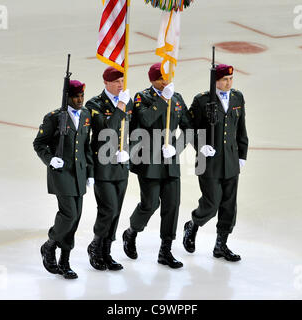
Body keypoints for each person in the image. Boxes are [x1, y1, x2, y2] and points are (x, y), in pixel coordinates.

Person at [122, 63, 192, 269]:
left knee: (172, 205)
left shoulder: (177, 98)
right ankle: (132, 231)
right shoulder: (141, 97)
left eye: (168, 77)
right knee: (150, 204)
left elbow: (188, 128)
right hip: (148, 161)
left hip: (169, 161)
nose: (166, 81)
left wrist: (177, 149)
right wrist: (163, 99)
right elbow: (146, 118)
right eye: (162, 78)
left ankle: (165, 250)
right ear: (152, 80)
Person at [183, 64, 248, 262]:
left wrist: (242, 155)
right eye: (224, 80)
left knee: (229, 205)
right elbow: (189, 128)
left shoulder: (237, 97)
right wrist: (200, 146)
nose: (228, 83)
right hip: (209, 161)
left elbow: (241, 129)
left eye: (231, 79)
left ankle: (221, 244)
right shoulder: (202, 100)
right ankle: (193, 224)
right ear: (215, 81)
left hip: (230, 160)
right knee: (211, 203)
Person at [33, 80, 94, 279]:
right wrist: (51, 160)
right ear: (67, 97)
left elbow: (86, 147)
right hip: (62, 173)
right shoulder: (54, 118)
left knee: (75, 219)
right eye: (76, 96)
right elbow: (39, 143)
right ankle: (50, 245)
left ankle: (65, 260)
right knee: (68, 214)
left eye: (82, 96)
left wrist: (90, 173)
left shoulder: (85, 115)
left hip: (79, 173)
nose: (80, 100)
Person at [85, 67, 134, 271]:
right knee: (108, 209)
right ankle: (95, 246)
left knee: (117, 211)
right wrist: (120, 106)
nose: (121, 85)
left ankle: (107, 250)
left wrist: (129, 151)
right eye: (116, 82)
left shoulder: (127, 102)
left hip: (121, 165)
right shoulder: (94, 104)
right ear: (106, 83)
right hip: (103, 166)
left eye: (122, 81)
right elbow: (107, 131)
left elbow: (133, 128)